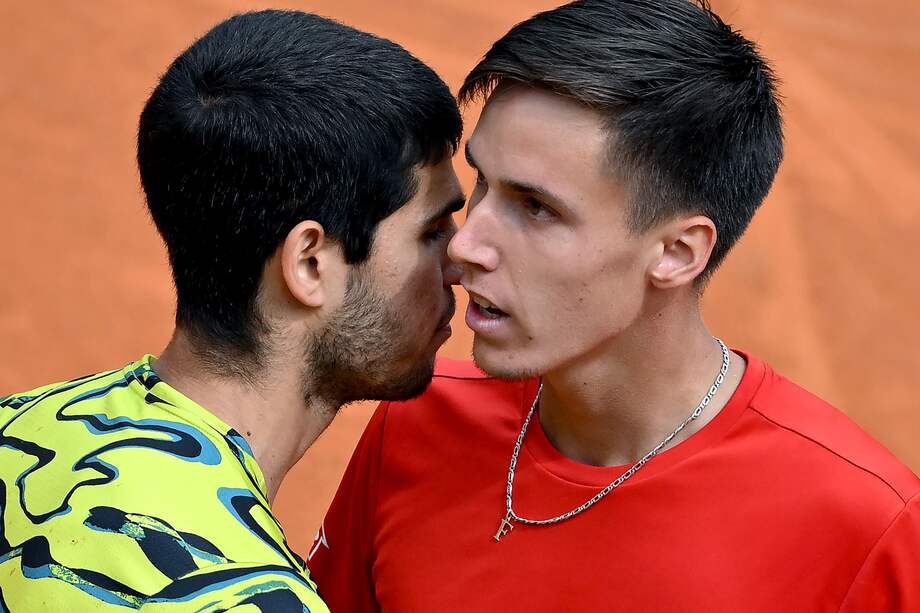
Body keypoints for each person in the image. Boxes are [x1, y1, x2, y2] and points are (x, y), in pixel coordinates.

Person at [307, 0, 920, 610]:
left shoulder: (867, 531)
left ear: (677, 252)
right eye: (482, 184)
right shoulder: (416, 423)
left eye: (536, 208)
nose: (466, 246)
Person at [0, 9, 465, 611]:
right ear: (310, 264)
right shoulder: (251, 598)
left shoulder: (13, 428)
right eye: (433, 232)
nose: (462, 261)